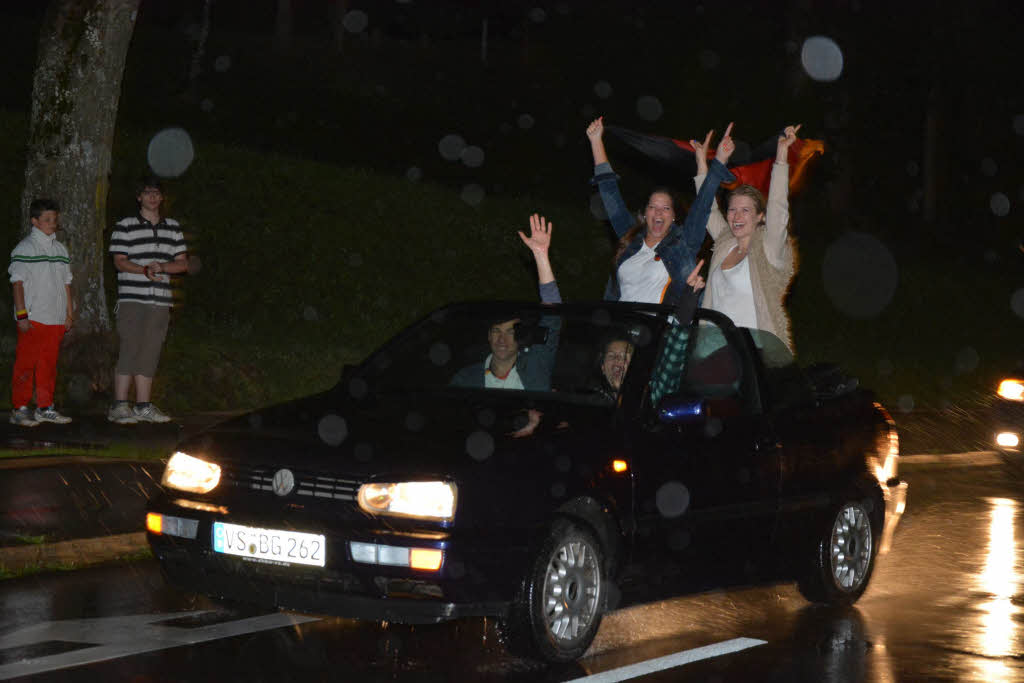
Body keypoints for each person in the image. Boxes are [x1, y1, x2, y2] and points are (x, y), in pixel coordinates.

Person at [586, 117, 733, 306]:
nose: (658, 213)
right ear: (645, 213)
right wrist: (596, 140)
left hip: (657, 331)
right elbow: (609, 194)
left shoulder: (682, 244)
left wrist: (719, 161)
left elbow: (702, 206)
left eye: (665, 208)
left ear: (673, 216)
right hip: (619, 329)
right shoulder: (630, 238)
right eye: (653, 207)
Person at [693, 123, 800, 350]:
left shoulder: (769, 250)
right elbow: (707, 210)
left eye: (745, 210)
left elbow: (778, 209)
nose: (736, 216)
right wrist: (703, 163)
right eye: (732, 209)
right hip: (713, 350)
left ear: (760, 216)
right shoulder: (725, 243)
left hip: (753, 354)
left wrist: (781, 155)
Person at [107, 176, 189, 424]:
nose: (152, 197)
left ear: (162, 197)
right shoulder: (126, 225)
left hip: (160, 300)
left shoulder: (172, 227)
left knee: (151, 350)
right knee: (130, 347)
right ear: (139, 197)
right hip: (133, 297)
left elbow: (183, 263)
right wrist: (144, 270)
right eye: (147, 193)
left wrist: (163, 266)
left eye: (156, 193)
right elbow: (119, 261)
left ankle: (143, 405)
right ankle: (119, 405)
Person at [8, 198, 74, 426]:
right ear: (34, 221)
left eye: (54, 219)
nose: (52, 223)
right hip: (34, 317)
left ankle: (45, 407)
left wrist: (68, 313)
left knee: (48, 364)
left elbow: (66, 283)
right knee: (26, 364)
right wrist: (22, 314)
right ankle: (20, 407)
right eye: (47, 219)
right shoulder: (25, 248)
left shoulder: (60, 249)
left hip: (55, 318)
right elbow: (17, 284)